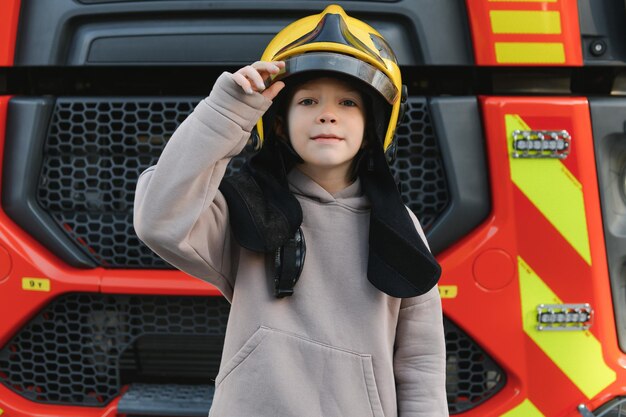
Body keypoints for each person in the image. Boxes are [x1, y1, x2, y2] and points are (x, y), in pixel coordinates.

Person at [134, 4, 448, 416]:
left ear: (373, 127)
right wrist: (227, 111)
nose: (328, 113)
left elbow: (421, 364)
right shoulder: (247, 206)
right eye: (308, 100)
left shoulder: (398, 225)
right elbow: (158, 219)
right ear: (279, 123)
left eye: (349, 103)